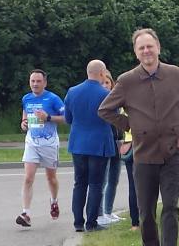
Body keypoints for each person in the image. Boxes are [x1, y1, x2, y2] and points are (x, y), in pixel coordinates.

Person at [99, 28, 179, 246]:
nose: (146, 51)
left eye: (150, 46)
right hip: (144, 154)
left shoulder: (175, 75)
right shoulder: (127, 81)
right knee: (146, 209)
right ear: (136, 52)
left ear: (158, 48)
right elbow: (105, 110)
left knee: (171, 206)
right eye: (141, 48)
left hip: (172, 152)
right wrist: (130, 125)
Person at [65, 60, 117, 233]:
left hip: (78, 143)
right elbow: (114, 117)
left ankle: (78, 222)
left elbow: (68, 119)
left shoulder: (72, 92)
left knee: (79, 183)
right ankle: (92, 222)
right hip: (99, 143)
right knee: (96, 184)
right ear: (102, 73)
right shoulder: (106, 94)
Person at [15, 69, 66, 228]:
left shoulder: (53, 99)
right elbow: (25, 116)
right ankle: (26, 214)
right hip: (32, 142)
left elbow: (66, 118)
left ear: (45, 83)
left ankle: (54, 201)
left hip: (49, 143)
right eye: (32, 81)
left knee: (51, 178)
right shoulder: (26, 98)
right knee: (28, 178)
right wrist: (23, 124)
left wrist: (48, 117)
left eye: (38, 81)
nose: (35, 84)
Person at [96, 67, 125, 228]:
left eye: (108, 82)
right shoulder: (99, 102)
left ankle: (108, 210)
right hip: (104, 143)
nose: (106, 85)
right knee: (103, 179)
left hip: (117, 141)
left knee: (114, 178)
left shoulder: (117, 101)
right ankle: (99, 213)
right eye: (103, 83)